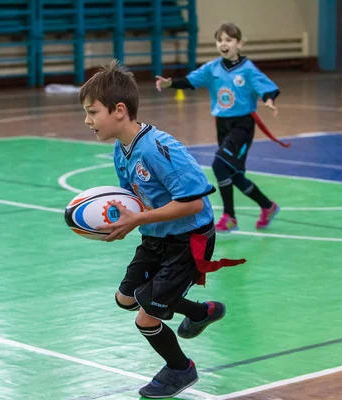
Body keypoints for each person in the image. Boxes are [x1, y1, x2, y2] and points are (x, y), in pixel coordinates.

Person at [79, 60, 245, 398]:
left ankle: (180, 369)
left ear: (119, 110)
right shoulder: (120, 149)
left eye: (92, 112)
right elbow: (134, 198)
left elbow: (194, 204)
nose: (87, 120)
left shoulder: (158, 148)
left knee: (146, 318)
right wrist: (119, 220)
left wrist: (137, 220)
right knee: (125, 299)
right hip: (157, 237)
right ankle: (201, 312)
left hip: (188, 240)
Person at [156, 22, 282, 232]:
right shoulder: (212, 68)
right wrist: (171, 84)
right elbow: (190, 81)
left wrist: (269, 100)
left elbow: (266, 87)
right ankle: (267, 206)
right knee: (234, 175)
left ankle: (229, 216)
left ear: (239, 43)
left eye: (229, 40)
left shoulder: (248, 70)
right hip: (222, 125)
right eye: (220, 40)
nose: (224, 44)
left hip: (242, 126)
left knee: (219, 165)